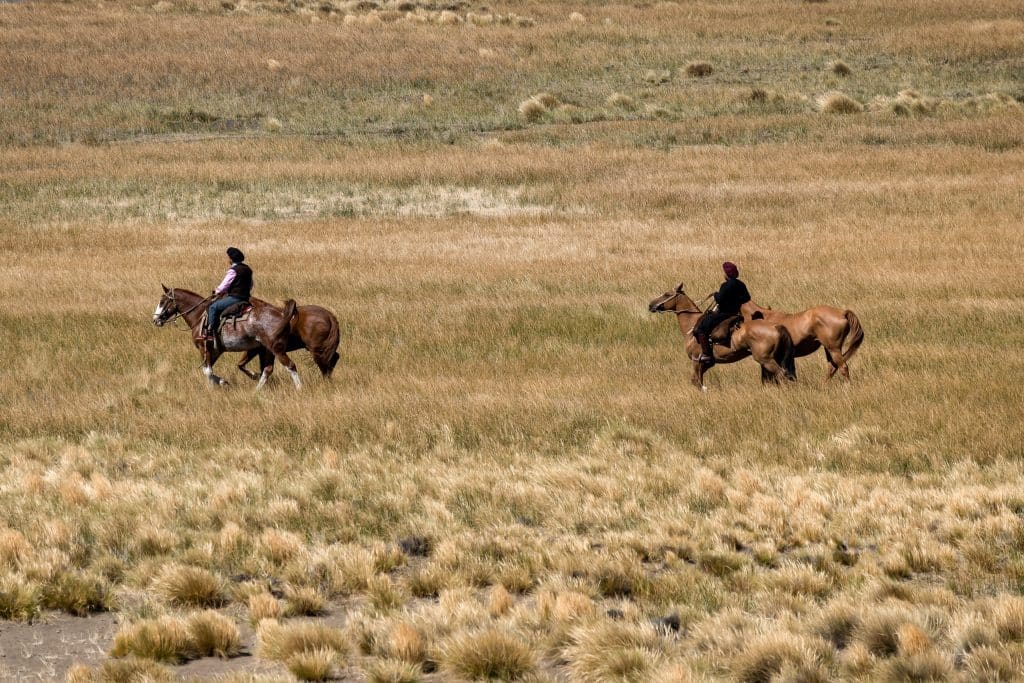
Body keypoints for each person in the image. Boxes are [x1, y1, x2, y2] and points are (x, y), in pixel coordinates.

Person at [694, 261, 751, 365]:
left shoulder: (726, 285)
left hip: (724, 314)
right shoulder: (741, 284)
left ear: (727, 274)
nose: (723, 274)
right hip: (736, 313)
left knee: (701, 328)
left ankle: (706, 354)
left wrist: (716, 294)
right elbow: (747, 298)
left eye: (724, 272)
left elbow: (719, 300)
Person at [202, 247, 253, 343]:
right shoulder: (248, 269)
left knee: (213, 307)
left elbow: (225, 285)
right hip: (246, 297)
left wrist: (217, 291)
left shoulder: (233, 270)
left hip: (235, 298)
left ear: (231, 258)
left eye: (228, 257)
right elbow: (251, 285)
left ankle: (210, 333)